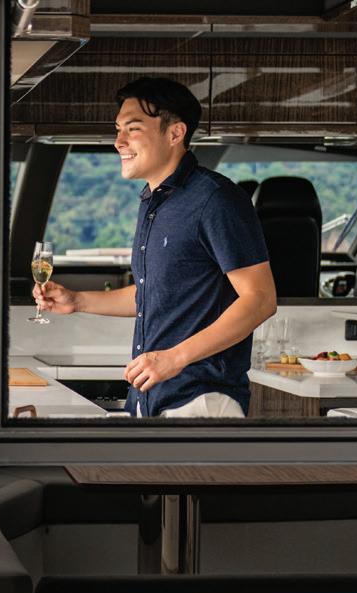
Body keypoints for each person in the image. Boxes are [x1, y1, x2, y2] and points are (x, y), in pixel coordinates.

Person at [34, 77, 277, 417]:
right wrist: (78, 301)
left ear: (175, 133)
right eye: (118, 129)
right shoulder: (154, 202)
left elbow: (260, 299)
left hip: (201, 402)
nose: (118, 141)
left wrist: (174, 358)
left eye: (132, 129)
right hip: (152, 398)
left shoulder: (216, 199)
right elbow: (153, 292)